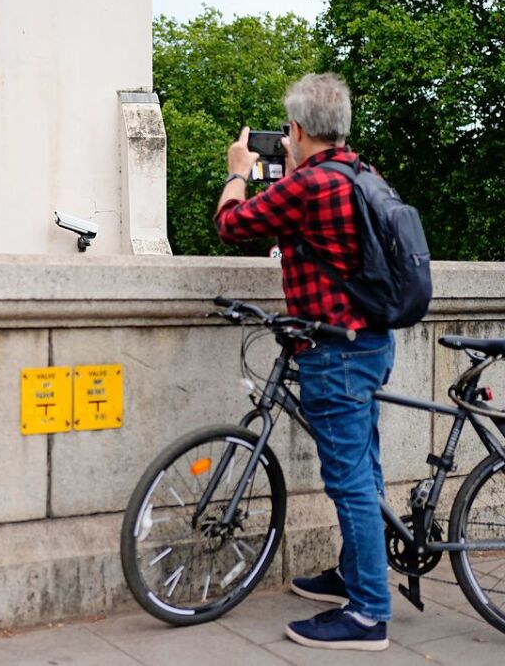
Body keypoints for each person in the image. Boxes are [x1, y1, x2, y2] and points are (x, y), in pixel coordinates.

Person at [215, 73, 395, 652]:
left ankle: (368, 614)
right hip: (370, 341)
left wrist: (240, 172)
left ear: (295, 129)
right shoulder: (360, 174)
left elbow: (231, 225)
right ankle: (354, 576)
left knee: (349, 483)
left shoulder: (310, 185)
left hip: (334, 352)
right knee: (363, 470)